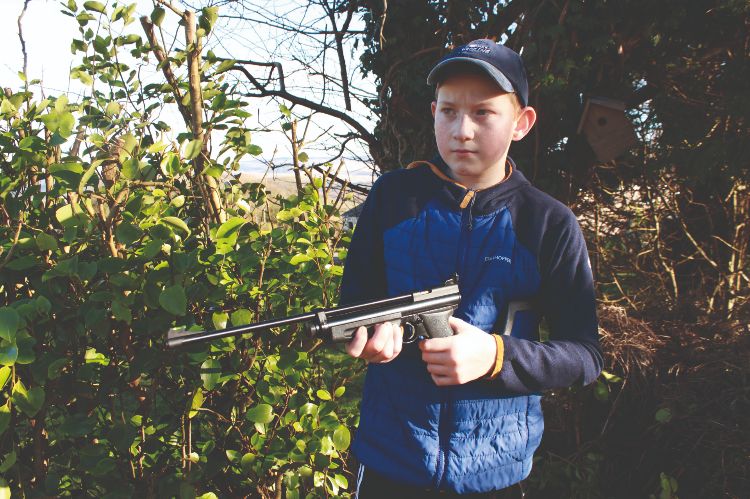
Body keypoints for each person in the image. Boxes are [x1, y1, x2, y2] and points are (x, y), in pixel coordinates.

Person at [339, 39, 603, 498]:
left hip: (494, 471)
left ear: (521, 123)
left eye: (483, 113)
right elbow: (354, 304)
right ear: (434, 112)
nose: (462, 130)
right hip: (389, 460)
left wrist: (496, 356)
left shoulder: (546, 223)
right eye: (448, 111)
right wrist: (368, 334)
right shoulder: (394, 198)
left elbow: (585, 355)